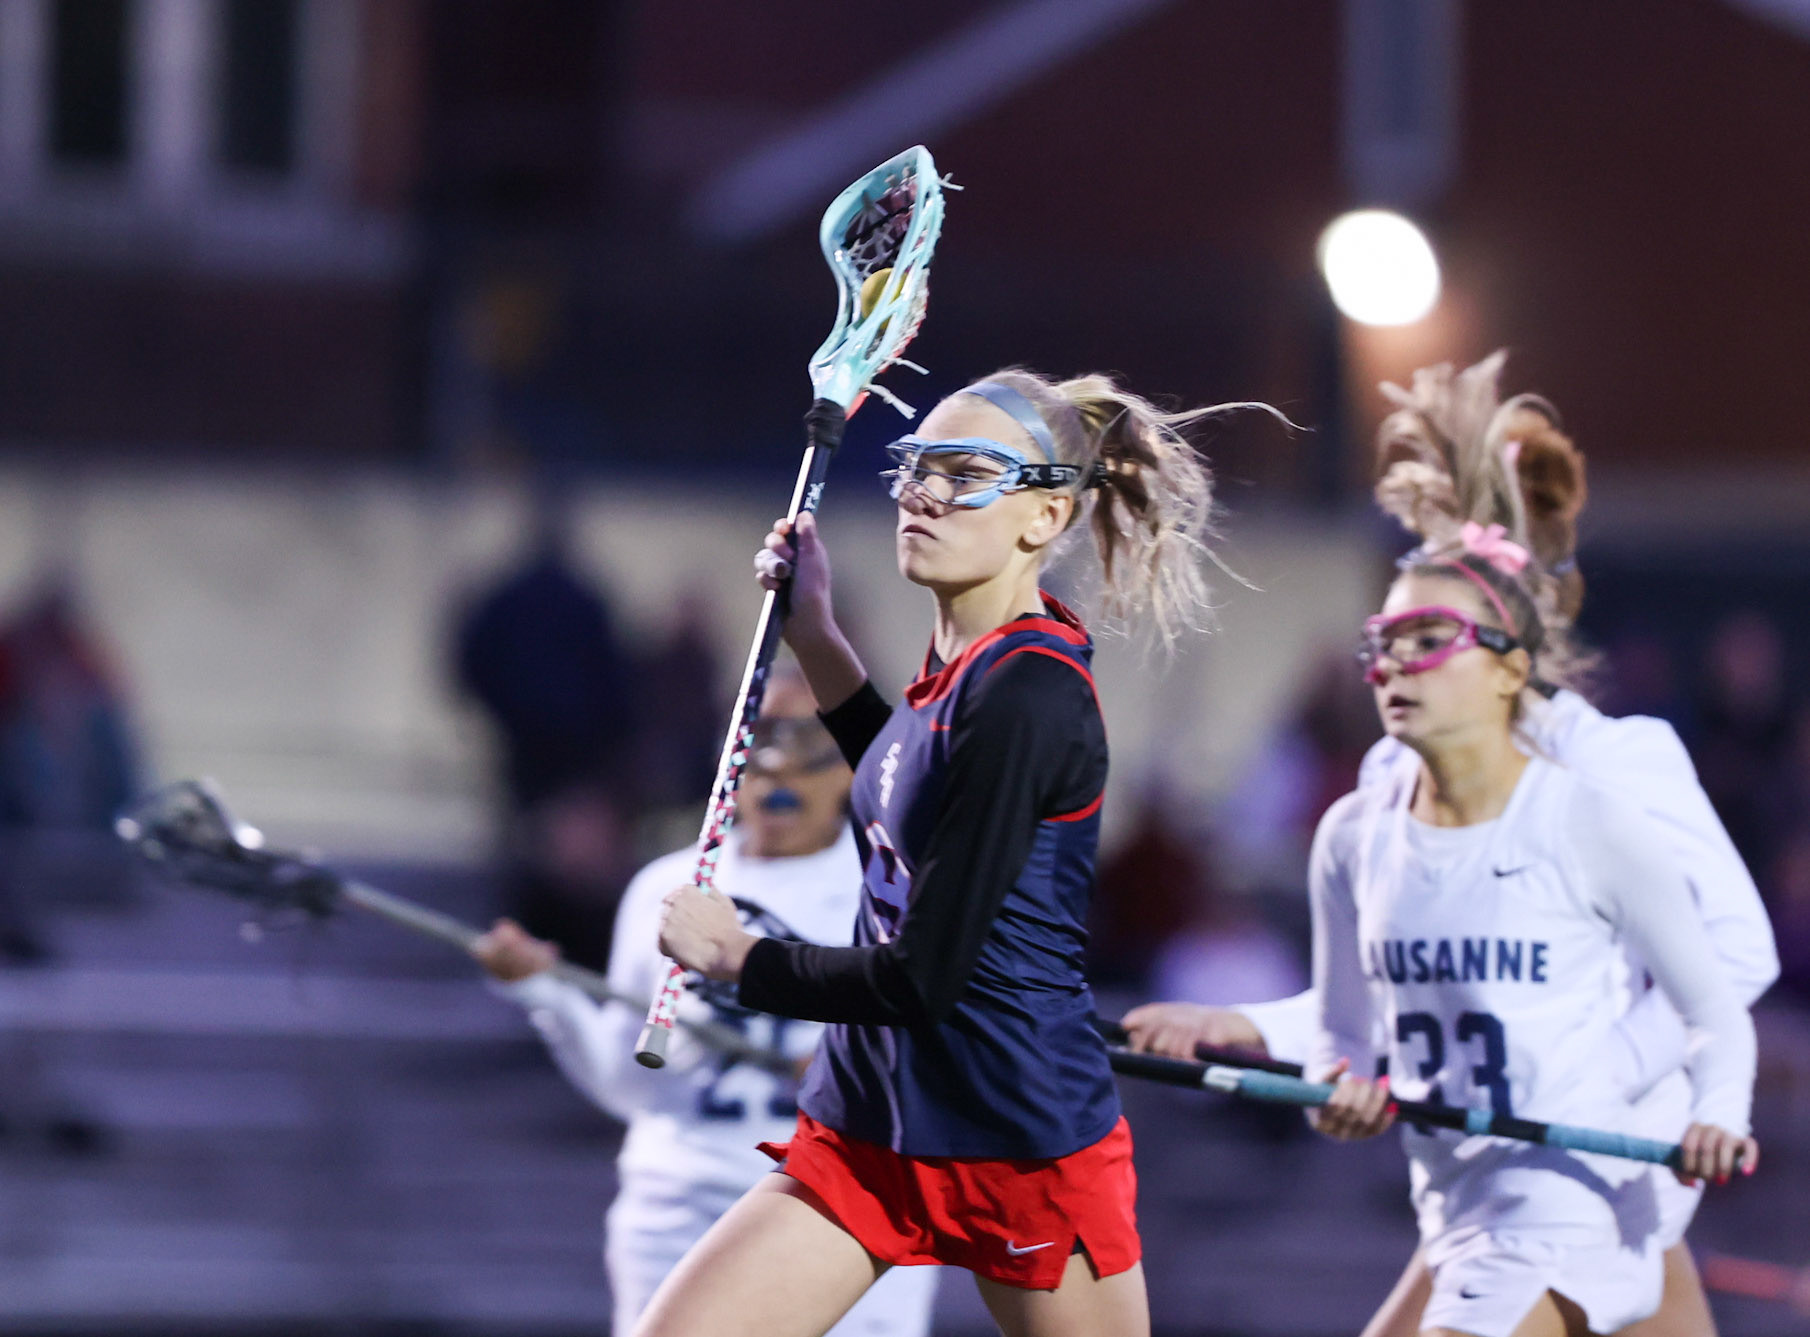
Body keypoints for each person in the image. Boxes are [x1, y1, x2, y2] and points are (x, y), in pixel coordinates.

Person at [1127, 355, 1777, 1337]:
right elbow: (1399, 996)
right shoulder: (1384, 790)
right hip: (1472, 1186)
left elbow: (1735, 954)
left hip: (1588, 1161)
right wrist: (1252, 1027)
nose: (1402, 643)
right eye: (1395, 617)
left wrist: (1590, 1071)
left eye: (1445, 610)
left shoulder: (1613, 766)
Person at [646, 369, 1273, 1337]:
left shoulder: (1029, 688)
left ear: (1044, 514)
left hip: (1016, 1135)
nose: (924, 493)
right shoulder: (960, 669)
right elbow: (900, 782)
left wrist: (739, 958)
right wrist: (817, 635)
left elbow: (923, 975)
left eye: (968, 473)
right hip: (871, 1123)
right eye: (916, 467)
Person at [474, 666, 938, 1337]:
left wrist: (862, 1073)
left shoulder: (899, 895)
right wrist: (545, 991)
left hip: (845, 1211)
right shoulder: (668, 887)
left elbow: (955, 1064)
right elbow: (632, 1078)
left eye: (808, 747)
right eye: (761, 746)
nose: (781, 776)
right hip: (682, 1209)